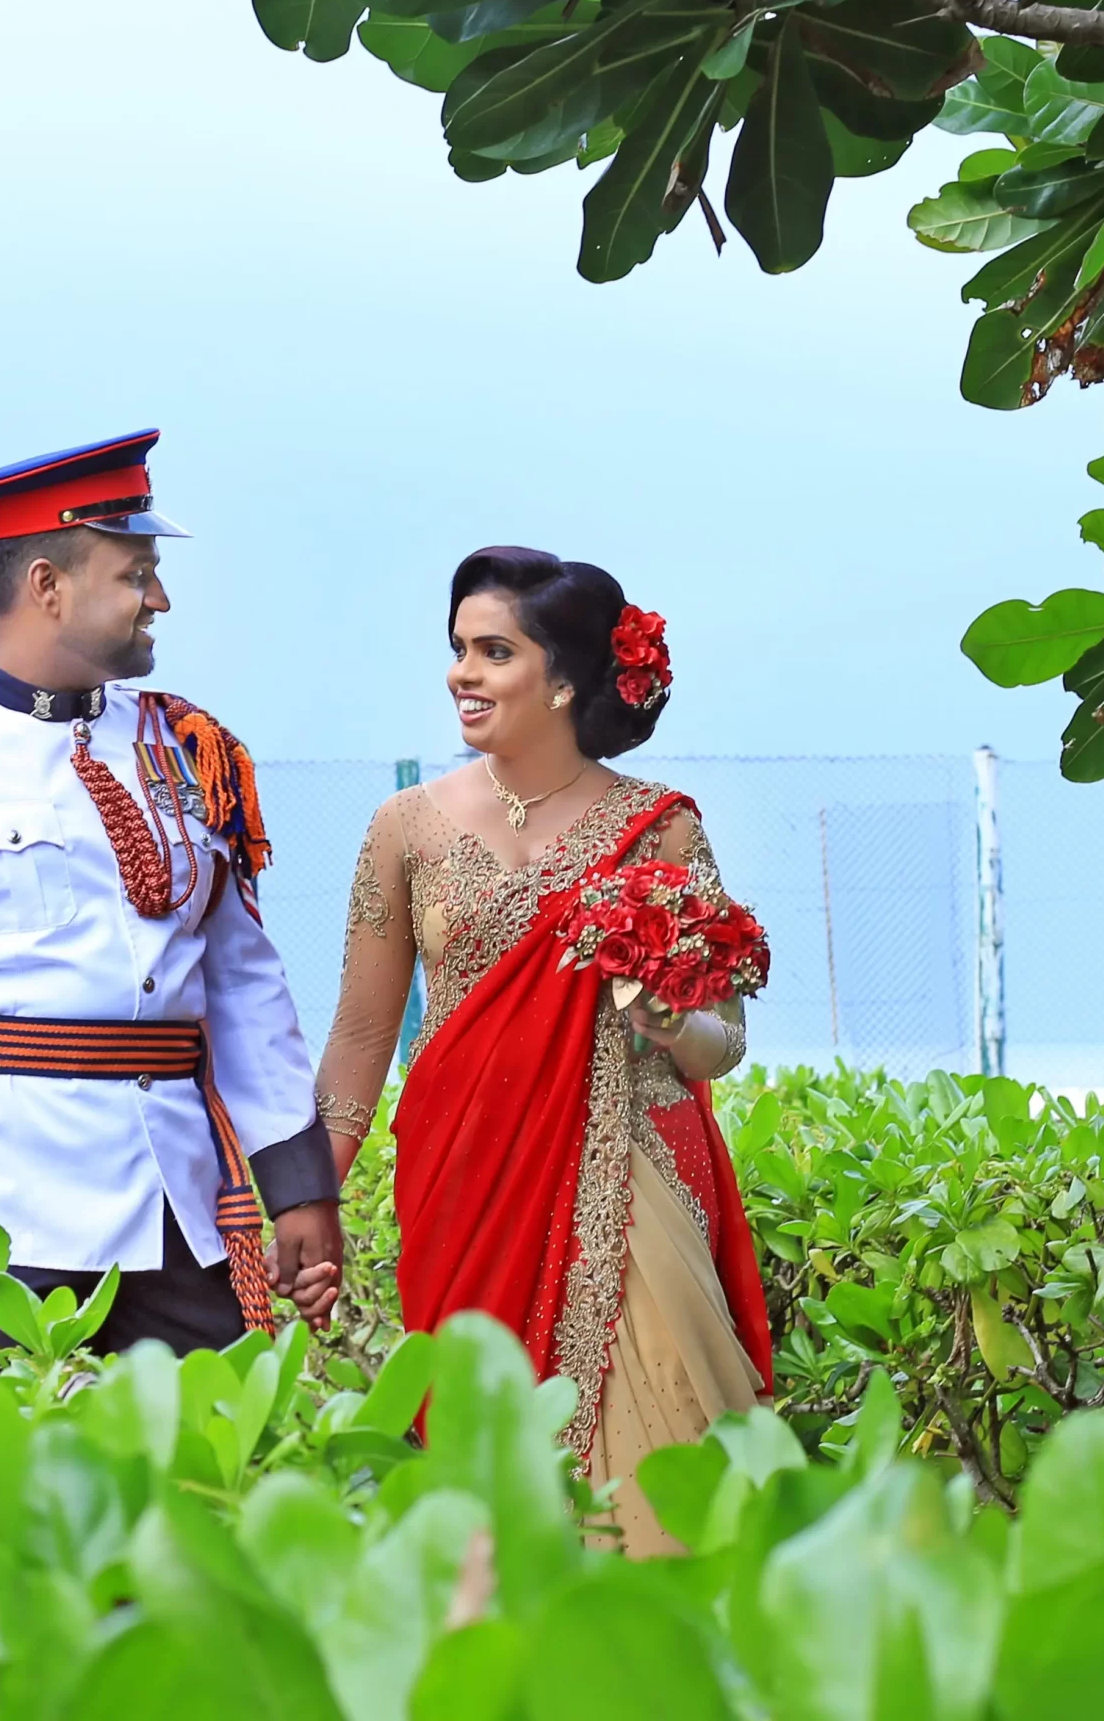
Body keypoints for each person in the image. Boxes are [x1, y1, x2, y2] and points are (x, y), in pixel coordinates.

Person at [0, 427, 342, 1360]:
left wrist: (296, 1184)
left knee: (220, 1468)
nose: (161, 597)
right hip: (2, 1217)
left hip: (177, 1212)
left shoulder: (186, 749)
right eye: (136, 572)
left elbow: (244, 981)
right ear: (46, 584)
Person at [314, 547, 774, 1554]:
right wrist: (314, 1201)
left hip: (630, 1178)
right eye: (457, 650)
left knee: (668, 1487)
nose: (461, 673)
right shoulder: (403, 829)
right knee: (484, 1492)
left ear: (564, 679)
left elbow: (722, 1041)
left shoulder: (659, 830)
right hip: (462, 1184)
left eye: (493, 651)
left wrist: (663, 1018)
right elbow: (358, 1032)